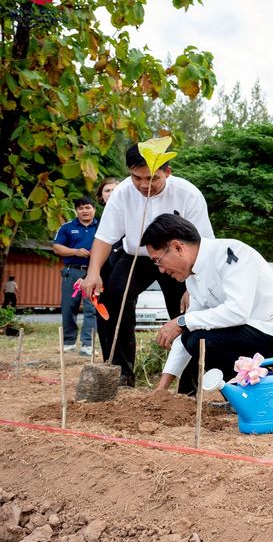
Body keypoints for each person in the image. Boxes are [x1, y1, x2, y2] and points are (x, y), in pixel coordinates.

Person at [78, 144, 213, 386]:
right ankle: (121, 372)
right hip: (136, 256)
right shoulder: (122, 193)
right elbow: (105, 237)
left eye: (152, 179)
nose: (143, 185)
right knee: (114, 295)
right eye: (136, 177)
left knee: (188, 309)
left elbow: (203, 244)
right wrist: (93, 273)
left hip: (177, 260)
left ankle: (189, 385)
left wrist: (193, 286)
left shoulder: (188, 194)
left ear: (167, 172)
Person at [142, 214, 273, 400]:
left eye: (158, 261)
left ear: (177, 247)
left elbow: (237, 312)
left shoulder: (230, 252)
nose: (161, 270)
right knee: (193, 337)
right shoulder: (193, 278)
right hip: (257, 333)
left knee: (200, 340)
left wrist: (183, 321)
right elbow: (187, 332)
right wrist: (161, 390)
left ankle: (258, 396)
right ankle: (261, 394)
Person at [52, 197, 100, 356]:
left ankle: (88, 345)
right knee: (68, 307)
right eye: (80, 208)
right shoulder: (67, 227)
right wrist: (75, 251)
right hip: (72, 271)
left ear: (94, 209)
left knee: (91, 308)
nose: (84, 211)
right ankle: (68, 342)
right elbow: (57, 248)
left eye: (87, 207)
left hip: (94, 272)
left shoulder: (102, 226)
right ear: (76, 211)